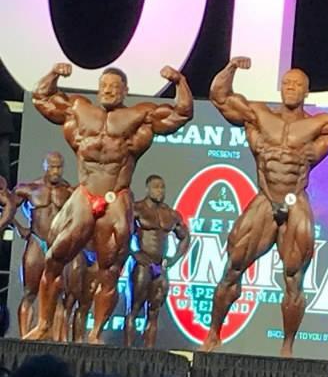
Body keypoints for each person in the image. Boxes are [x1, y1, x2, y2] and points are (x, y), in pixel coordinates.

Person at [200, 58, 328, 355]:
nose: (291, 88)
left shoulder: (319, 124)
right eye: (287, 83)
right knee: (233, 265)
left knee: (294, 276)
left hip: (295, 199)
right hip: (265, 198)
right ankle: (213, 335)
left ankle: (287, 348)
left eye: (297, 85)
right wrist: (231, 68)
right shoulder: (258, 114)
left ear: (306, 92)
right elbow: (220, 97)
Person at [24, 63, 193, 343]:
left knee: (110, 270)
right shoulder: (79, 110)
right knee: (54, 258)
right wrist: (54, 74)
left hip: (117, 194)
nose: (109, 91)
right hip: (85, 192)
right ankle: (43, 325)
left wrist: (179, 81)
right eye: (104, 86)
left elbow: (182, 112)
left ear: (125, 91)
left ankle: (95, 333)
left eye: (115, 87)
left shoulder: (138, 116)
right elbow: (41, 98)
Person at [12, 152, 79, 338]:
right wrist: (19, 227)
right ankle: (24, 340)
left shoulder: (69, 192)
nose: (55, 171)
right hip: (37, 243)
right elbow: (6, 206)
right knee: (29, 293)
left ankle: (55, 341)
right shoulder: (29, 189)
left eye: (59, 167)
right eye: (52, 166)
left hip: (58, 246)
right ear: (44, 166)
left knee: (59, 296)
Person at [124, 174, 190, 347]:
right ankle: (128, 350)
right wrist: (134, 253)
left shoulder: (170, 214)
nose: (160, 191)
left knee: (154, 312)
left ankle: (149, 352)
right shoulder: (137, 209)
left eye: (162, 187)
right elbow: (121, 232)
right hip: (142, 264)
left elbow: (185, 237)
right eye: (156, 187)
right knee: (134, 309)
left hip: (160, 266)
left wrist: (174, 259)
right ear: (148, 189)